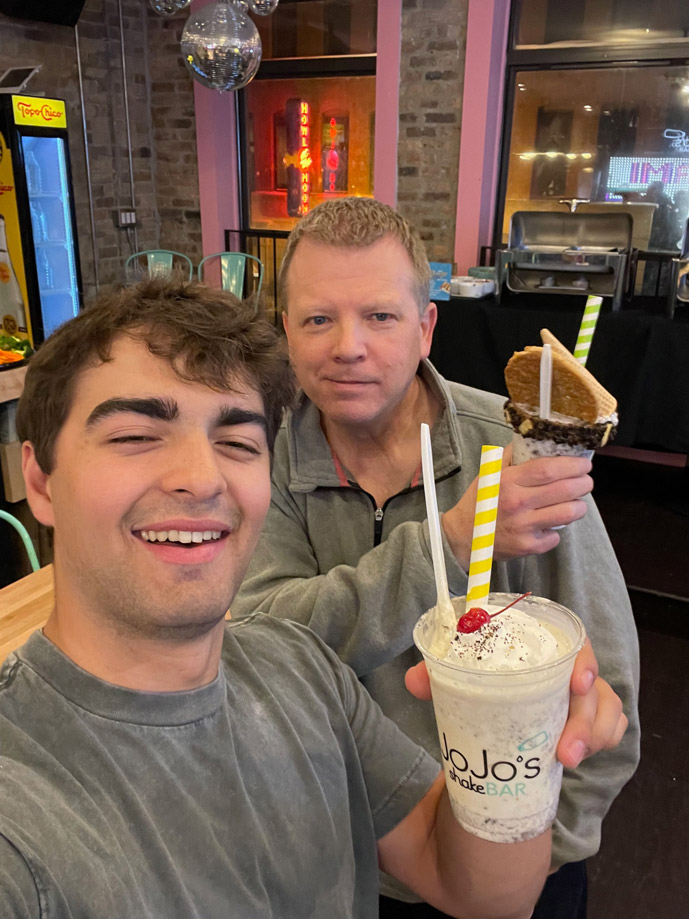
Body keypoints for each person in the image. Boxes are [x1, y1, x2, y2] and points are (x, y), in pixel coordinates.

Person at [0, 277, 624, 919]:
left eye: (239, 443)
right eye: (134, 436)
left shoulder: (301, 669)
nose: (200, 478)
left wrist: (516, 744)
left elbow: (480, 892)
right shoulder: (18, 810)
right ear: (41, 480)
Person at [234, 197, 640, 918]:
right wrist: (447, 543)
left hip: (516, 857)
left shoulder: (517, 447)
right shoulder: (259, 459)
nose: (346, 346)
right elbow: (264, 651)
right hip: (343, 864)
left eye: (380, 316)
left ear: (425, 328)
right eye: (317, 318)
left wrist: (540, 852)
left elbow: (604, 676)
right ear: (286, 333)